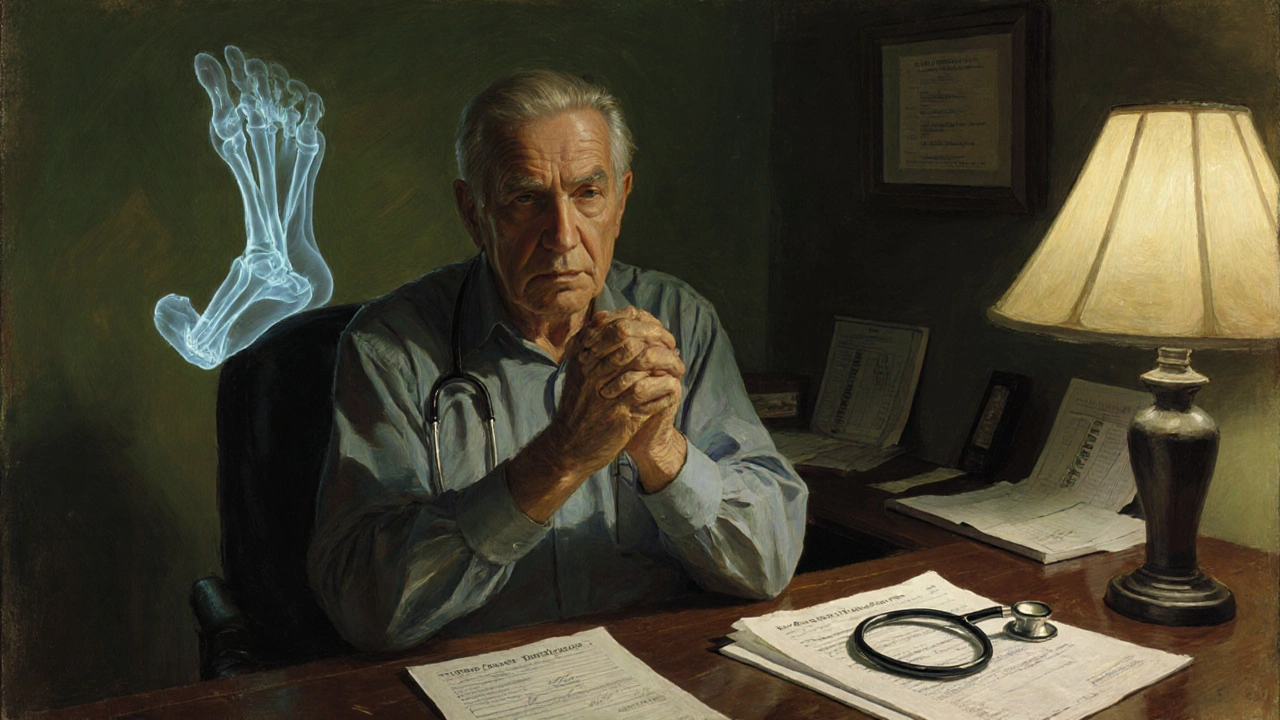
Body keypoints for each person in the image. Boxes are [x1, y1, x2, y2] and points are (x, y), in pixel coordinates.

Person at [307, 69, 808, 652]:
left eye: (588, 194)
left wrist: (659, 448)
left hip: (656, 664)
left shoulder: (679, 319)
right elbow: (366, 607)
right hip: (477, 680)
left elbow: (767, 563)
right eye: (526, 198)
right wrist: (559, 458)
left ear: (620, 201)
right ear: (474, 211)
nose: (563, 235)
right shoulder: (388, 348)